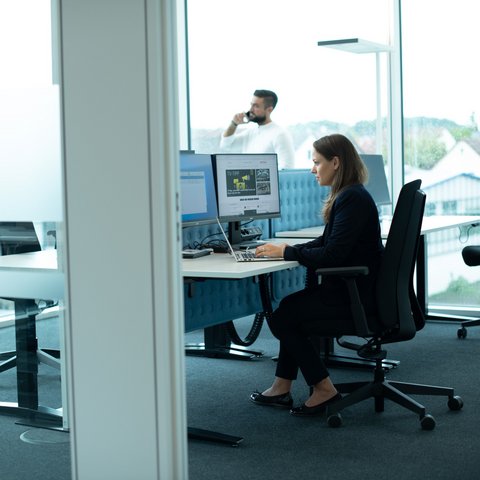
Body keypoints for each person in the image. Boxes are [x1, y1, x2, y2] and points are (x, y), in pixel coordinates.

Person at [250, 133, 385, 416]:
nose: (312, 169)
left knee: (286, 317)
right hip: (359, 292)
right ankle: (281, 386)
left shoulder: (351, 198)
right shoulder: (351, 194)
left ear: (335, 162)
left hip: (356, 298)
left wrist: (288, 252)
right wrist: (286, 248)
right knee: (290, 309)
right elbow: (327, 242)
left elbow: (332, 255)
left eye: (316, 162)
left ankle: (323, 389)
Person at [220, 89, 295, 169]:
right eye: (251, 105)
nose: (250, 110)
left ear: (269, 110)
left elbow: (286, 168)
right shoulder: (250, 133)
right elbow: (225, 146)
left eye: (256, 106)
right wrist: (234, 124)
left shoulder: (280, 134)